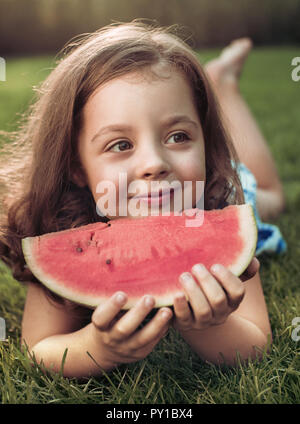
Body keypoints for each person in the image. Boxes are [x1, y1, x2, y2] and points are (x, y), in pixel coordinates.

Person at [0, 21, 286, 379]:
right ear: (76, 167)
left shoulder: (219, 205)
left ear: (205, 141)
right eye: (121, 145)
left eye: (179, 136)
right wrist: (97, 348)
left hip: (214, 186)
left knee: (269, 196)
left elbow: (256, 342)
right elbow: (38, 347)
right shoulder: (62, 227)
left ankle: (224, 86)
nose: (154, 163)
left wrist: (207, 325)